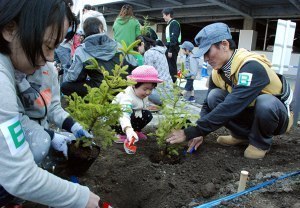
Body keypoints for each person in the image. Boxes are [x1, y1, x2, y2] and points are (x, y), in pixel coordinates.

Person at [0, 0, 100, 207]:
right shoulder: (5, 78)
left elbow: (49, 108)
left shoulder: (39, 69)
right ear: (10, 29)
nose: (50, 57)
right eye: (47, 46)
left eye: (55, 47)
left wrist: (71, 126)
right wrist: (81, 198)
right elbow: (21, 176)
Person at [167, 22, 294, 159]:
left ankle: (260, 143)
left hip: (276, 116)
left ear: (224, 45)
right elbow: (208, 106)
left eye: (207, 51)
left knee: (265, 102)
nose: (205, 58)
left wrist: (190, 132)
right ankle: (240, 136)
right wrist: (200, 133)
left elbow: (233, 104)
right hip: (250, 113)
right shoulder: (217, 73)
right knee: (214, 97)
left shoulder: (251, 66)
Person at [62, 17, 133, 97]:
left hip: (99, 90)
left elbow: (73, 77)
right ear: (101, 28)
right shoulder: (117, 45)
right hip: (123, 88)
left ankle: (86, 105)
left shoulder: (82, 50)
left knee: (65, 86)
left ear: (85, 31)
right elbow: (133, 66)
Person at [112, 65, 163, 143]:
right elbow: (124, 114)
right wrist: (128, 129)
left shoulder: (142, 94)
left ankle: (136, 131)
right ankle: (121, 133)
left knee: (147, 114)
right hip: (118, 117)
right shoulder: (127, 96)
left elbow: (142, 105)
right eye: (145, 89)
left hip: (133, 113)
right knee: (129, 115)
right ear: (133, 84)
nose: (148, 92)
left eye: (151, 89)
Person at [135, 35, 173, 105]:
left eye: (138, 48)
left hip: (161, 95)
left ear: (142, 44)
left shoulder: (148, 53)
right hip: (170, 92)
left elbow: (147, 76)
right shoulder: (159, 51)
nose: (139, 52)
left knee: (138, 89)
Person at [162, 7, 181, 83]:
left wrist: (170, 50)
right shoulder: (170, 24)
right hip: (170, 47)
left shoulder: (174, 23)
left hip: (172, 48)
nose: (163, 17)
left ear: (168, 14)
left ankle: (173, 82)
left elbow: (174, 38)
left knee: (172, 66)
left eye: (164, 15)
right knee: (170, 65)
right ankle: (171, 81)